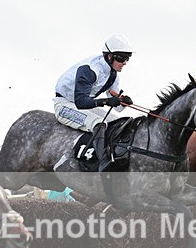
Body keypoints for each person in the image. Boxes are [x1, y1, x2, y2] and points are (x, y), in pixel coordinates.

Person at [54, 34, 135, 172]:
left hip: (85, 106)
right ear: (109, 56)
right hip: (65, 105)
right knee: (99, 124)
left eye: (127, 58)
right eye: (121, 58)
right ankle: (103, 163)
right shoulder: (90, 70)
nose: (125, 62)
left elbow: (116, 103)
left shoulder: (112, 74)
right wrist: (106, 101)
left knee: (120, 122)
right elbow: (81, 102)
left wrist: (123, 101)